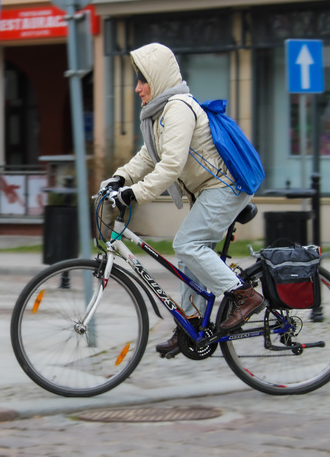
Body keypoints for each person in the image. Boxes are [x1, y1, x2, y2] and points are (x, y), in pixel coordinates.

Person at [100, 43, 263, 359]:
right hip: (209, 189)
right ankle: (189, 324)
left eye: (142, 80)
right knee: (189, 256)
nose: (137, 88)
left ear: (157, 78)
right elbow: (149, 156)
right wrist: (120, 178)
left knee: (188, 244)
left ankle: (244, 296)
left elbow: (171, 164)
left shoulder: (178, 108)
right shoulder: (159, 115)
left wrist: (136, 194)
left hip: (226, 185)